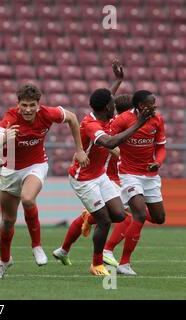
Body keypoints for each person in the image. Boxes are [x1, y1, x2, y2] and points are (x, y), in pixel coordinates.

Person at [52, 76, 152, 275]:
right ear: (108, 107)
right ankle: (96, 263)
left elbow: (109, 96)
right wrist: (137, 125)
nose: (114, 105)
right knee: (105, 220)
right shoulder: (92, 125)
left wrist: (119, 80)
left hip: (100, 175)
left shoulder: (106, 116)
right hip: (83, 179)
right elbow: (109, 143)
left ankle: (88, 219)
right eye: (112, 104)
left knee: (119, 215)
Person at [0, 84, 90, 280]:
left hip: (36, 165)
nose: (28, 109)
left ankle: (36, 246)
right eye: (24, 105)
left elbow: (72, 118)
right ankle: (4, 261)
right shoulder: (10, 118)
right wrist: (3, 140)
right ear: (18, 104)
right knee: (7, 222)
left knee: (28, 199)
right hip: (10, 170)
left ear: (38, 104)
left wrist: (79, 149)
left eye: (32, 105)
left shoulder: (48, 114)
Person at [106, 90, 166, 275]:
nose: (154, 106)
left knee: (159, 218)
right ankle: (123, 263)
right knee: (139, 214)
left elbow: (161, 147)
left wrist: (158, 163)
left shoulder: (157, 120)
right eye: (151, 103)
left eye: (155, 103)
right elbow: (108, 140)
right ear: (140, 105)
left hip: (149, 176)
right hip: (128, 174)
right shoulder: (123, 119)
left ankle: (127, 210)